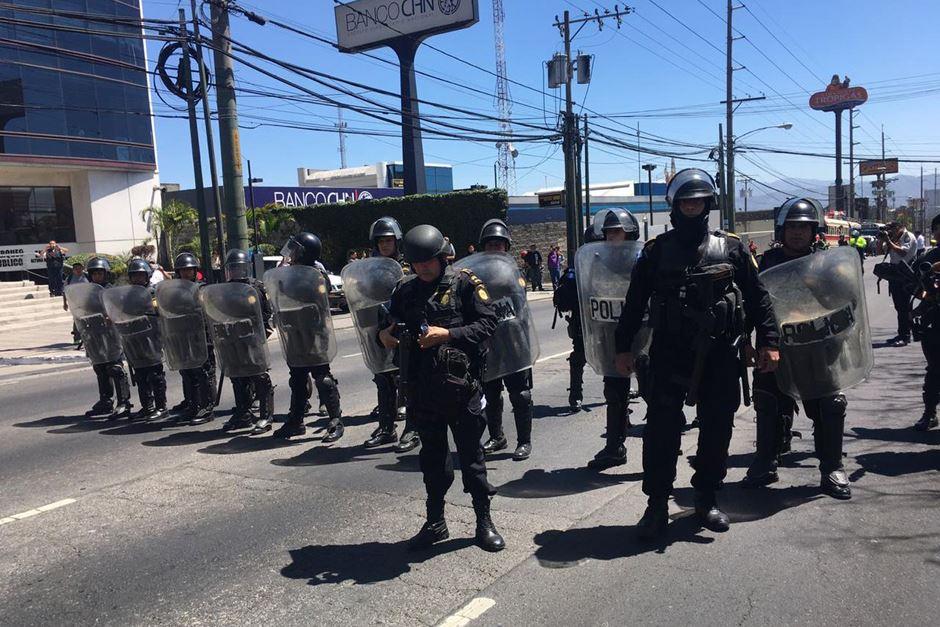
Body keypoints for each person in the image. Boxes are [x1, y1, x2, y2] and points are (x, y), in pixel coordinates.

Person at [614, 168, 779, 539]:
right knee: (661, 430)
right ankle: (656, 504)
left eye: (698, 201)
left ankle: (706, 497)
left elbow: (759, 299)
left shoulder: (732, 248)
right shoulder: (655, 252)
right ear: (675, 206)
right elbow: (634, 303)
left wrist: (769, 342)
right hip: (669, 354)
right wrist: (623, 348)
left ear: (708, 204)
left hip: (720, 354)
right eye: (686, 201)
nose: (692, 206)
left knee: (718, 428)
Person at [379, 224, 504, 552]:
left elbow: (488, 323)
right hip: (422, 390)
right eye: (417, 263)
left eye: (428, 261)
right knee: (432, 461)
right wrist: (385, 335)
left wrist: (448, 335)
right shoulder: (405, 290)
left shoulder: (464, 283)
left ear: (442, 258)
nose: (423, 268)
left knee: (471, 459)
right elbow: (386, 325)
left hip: (461, 389)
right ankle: (435, 523)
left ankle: (484, 521)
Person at [742, 198, 852, 499]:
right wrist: (747, 341)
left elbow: (845, 303)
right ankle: (765, 461)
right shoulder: (765, 263)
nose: (797, 232)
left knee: (831, 404)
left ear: (813, 231)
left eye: (804, 227)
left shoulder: (826, 263)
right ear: (782, 230)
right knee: (767, 400)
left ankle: (832, 467)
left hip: (818, 347)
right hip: (776, 347)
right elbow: (750, 307)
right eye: (792, 226)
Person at [269, 234, 345, 442]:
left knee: (322, 376)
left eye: (296, 250)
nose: (292, 253)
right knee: (297, 377)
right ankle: (296, 421)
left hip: (314, 331)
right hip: (294, 330)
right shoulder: (287, 273)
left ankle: (335, 420)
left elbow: (321, 292)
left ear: (305, 252)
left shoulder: (316, 273)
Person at [586, 208, 641, 471]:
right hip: (612, 337)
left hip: (643, 335)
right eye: (608, 232)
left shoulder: (642, 259)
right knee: (615, 393)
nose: (611, 237)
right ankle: (615, 447)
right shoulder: (598, 261)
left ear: (629, 233)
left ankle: (664, 440)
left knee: (655, 390)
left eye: (616, 232)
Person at [477, 218, 534, 461]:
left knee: (520, 394)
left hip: (513, 340)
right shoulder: (475, 275)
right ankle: (497, 436)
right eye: (490, 244)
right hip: (488, 342)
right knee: (490, 393)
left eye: (499, 244)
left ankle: (524, 441)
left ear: (506, 247)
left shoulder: (514, 273)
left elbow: (520, 303)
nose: (495, 248)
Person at [363, 217, 421, 453]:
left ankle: (412, 429)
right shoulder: (371, 269)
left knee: (408, 381)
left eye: (388, 240)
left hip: (403, 328)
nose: (385, 245)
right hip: (380, 329)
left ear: (397, 241)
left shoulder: (408, 266)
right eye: (381, 241)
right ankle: (386, 428)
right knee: (383, 379)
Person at [219, 249, 276, 435]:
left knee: (259, 376)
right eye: (233, 268)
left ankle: (266, 416)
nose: (236, 271)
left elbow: (265, 313)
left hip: (252, 337)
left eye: (239, 267)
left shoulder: (256, 288)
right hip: (233, 338)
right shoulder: (225, 290)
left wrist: (263, 332)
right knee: (237, 376)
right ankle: (243, 414)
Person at [553, 227, 602, 412]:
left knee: (613, 354)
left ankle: (618, 391)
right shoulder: (579, 264)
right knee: (579, 355)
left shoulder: (610, 261)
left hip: (605, 317)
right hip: (584, 318)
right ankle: (575, 395)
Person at [167, 252, 216, 425]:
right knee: (187, 371)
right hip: (183, 336)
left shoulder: (203, 289)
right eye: (183, 270)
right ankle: (192, 405)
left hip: (202, 337)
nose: (186, 273)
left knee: (204, 372)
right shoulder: (174, 292)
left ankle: (207, 407)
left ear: (195, 271)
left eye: (189, 270)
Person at [82, 257, 133, 419]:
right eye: (94, 273)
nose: (97, 276)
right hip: (95, 334)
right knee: (100, 367)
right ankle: (106, 400)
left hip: (112, 334)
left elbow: (121, 310)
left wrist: (113, 317)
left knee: (115, 368)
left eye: (100, 273)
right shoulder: (88, 293)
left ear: (106, 274)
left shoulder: (111, 291)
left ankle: (124, 402)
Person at [124, 258, 168, 422]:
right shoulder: (128, 295)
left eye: (141, 275)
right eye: (134, 276)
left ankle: (161, 407)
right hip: (135, 338)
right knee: (140, 375)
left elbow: (157, 310)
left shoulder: (153, 293)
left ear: (147, 276)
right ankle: (147, 406)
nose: (137, 278)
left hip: (152, 337)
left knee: (155, 374)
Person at [913, 215, 940, 431]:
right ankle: (930, 413)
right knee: (934, 369)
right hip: (934, 319)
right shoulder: (927, 258)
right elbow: (914, 287)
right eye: (938, 228)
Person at [880, 221, 917, 346]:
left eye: (891, 229)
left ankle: (905, 336)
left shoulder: (907, 236)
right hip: (895, 274)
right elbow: (880, 251)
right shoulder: (894, 237)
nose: (890, 231)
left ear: (899, 228)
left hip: (905, 275)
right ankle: (902, 333)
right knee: (899, 306)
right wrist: (882, 240)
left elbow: (903, 252)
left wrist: (889, 241)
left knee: (903, 306)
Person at [63, 261, 88, 347]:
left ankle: (87, 336)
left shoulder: (87, 276)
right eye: (76, 269)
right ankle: (77, 337)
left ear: (83, 268)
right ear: (73, 270)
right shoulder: (69, 278)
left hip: (86, 302)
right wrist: (65, 303)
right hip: (75, 303)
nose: (78, 270)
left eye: (80, 268)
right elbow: (64, 291)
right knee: (77, 319)